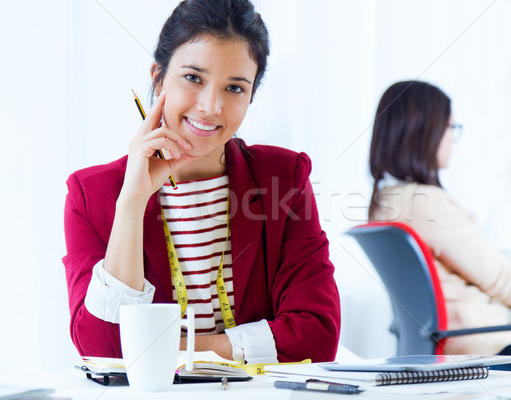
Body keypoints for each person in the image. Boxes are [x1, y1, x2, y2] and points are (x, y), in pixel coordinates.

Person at [63, 0, 340, 365]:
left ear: (252, 95)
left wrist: (168, 351)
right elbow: (101, 350)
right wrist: (132, 201)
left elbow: (317, 335)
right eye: (193, 78)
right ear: (158, 79)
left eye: (235, 88)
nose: (211, 106)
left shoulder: (284, 178)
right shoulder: (91, 194)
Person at [367, 80, 511, 376]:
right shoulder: (427, 203)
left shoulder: (386, 203)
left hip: (451, 354)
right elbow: (505, 282)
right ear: (426, 131)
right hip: (490, 358)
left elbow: (480, 278)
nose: (453, 139)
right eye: (451, 128)